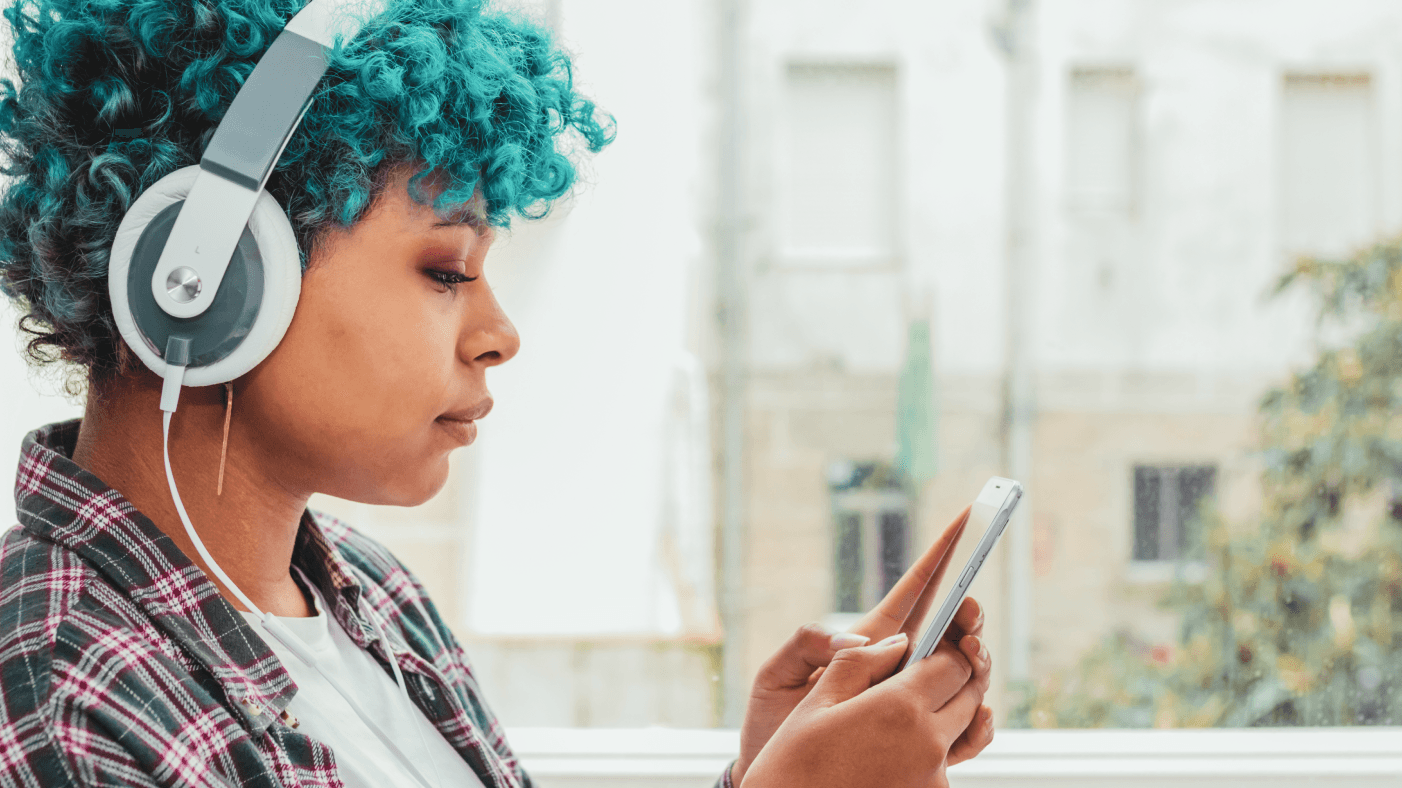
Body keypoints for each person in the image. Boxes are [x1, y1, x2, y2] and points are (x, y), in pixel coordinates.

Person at [0, 1, 995, 786]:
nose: (499, 335)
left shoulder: (371, 598)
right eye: (446, 270)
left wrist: (765, 772)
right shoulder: (59, 695)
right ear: (208, 279)